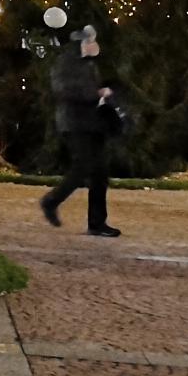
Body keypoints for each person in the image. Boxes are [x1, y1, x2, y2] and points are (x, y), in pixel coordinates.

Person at [40, 25, 121, 237]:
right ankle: (51, 201)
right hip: (75, 124)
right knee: (83, 166)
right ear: (84, 42)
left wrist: (102, 96)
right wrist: (96, 93)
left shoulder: (88, 65)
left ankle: (97, 223)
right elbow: (63, 90)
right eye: (93, 40)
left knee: (100, 173)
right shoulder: (67, 63)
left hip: (92, 124)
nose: (96, 44)